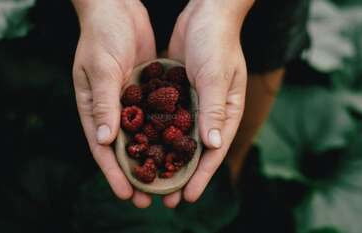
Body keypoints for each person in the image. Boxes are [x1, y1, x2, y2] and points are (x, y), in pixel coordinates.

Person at [71, 0, 309, 209]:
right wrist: (97, 7)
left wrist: (224, 11)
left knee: (229, 146)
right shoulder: (159, 119)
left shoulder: (165, 122)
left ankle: (229, 184)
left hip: (253, 12)